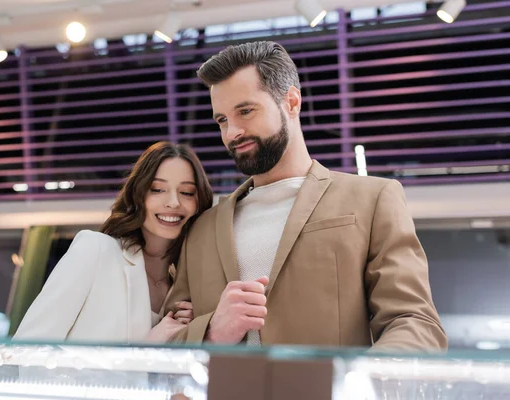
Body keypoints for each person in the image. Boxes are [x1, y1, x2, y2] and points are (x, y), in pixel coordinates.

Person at [165, 41, 447, 351]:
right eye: (222, 120)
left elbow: (415, 323)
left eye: (245, 111)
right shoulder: (201, 228)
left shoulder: (373, 199)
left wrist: (355, 383)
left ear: (292, 102)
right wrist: (210, 334)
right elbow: (165, 340)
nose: (232, 133)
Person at [14, 141, 214, 343]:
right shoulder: (95, 250)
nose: (173, 202)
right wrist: (146, 349)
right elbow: (28, 347)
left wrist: (191, 331)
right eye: (157, 189)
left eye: (187, 192)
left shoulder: (184, 286)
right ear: (138, 194)